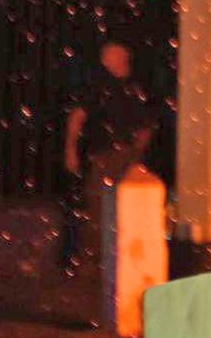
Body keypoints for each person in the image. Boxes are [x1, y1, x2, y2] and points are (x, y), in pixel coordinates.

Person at [62, 39, 159, 274]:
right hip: (104, 157)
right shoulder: (98, 86)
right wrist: (70, 150)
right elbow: (77, 117)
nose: (122, 60)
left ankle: (124, 260)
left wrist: (137, 154)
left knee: (129, 207)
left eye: (123, 56)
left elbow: (147, 125)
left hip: (128, 156)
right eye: (116, 57)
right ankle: (94, 260)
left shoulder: (134, 87)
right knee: (98, 206)